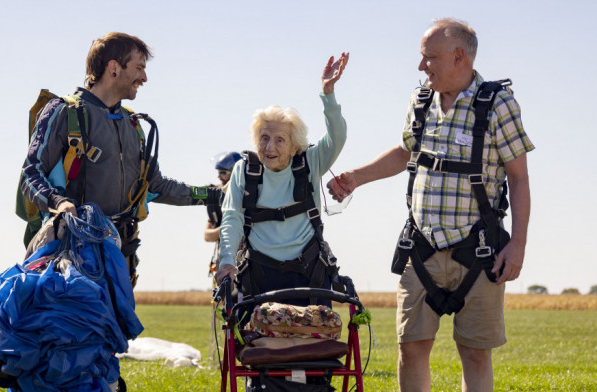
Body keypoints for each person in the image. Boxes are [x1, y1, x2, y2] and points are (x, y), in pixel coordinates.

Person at [327, 19, 533, 392]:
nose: (421, 67)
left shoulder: (497, 103)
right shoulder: (421, 99)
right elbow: (406, 152)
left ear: (459, 57)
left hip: (479, 250)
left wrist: (517, 244)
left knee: (474, 353)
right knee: (411, 348)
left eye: (429, 58)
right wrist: (356, 177)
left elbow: (519, 177)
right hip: (420, 248)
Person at [20, 32, 221, 289]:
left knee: (118, 329)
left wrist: (213, 195)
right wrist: (59, 203)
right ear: (114, 68)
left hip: (120, 260)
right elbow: (30, 173)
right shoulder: (63, 113)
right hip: (70, 260)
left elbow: (156, 187)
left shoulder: (133, 124)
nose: (144, 78)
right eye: (139, 68)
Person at [214, 52, 349, 303]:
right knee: (256, 342)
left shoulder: (310, 162)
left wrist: (328, 94)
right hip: (258, 275)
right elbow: (232, 217)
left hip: (309, 274)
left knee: (318, 341)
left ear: (295, 146)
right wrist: (227, 263)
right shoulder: (244, 170)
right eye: (264, 138)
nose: (269, 148)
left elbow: (337, 138)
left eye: (279, 140)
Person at [204, 151, 242, 279]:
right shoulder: (216, 198)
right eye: (218, 172)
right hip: (225, 261)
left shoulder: (247, 196)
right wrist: (230, 227)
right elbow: (207, 235)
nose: (219, 177)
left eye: (223, 173)